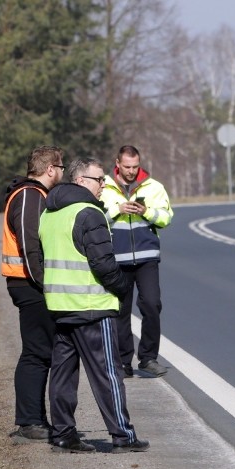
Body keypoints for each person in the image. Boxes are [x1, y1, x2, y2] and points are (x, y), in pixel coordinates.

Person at [38, 157, 149, 454]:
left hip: (61, 307)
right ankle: (122, 435)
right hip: (92, 305)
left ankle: (63, 433)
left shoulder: (49, 214)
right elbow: (103, 263)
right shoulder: (89, 213)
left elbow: (39, 260)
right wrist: (123, 289)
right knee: (107, 373)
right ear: (80, 181)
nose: (104, 185)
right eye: (99, 179)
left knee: (62, 374)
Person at [2, 145, 65, 443]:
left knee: (39, 352)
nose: (63, 173)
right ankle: (29, 422)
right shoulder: (29, 195)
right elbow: (30, 246)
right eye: (61, 167)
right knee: (37, 353)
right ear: (50, 168)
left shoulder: (34, 195)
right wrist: (45, 283)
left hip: (30, 283)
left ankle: (35, 419)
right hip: (29, 285)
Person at [102, 145, 173, 378]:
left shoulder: (154, 187)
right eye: (127, 167)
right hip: (117, 259)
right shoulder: (104, 186)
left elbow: (166, 218)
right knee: (121, 312)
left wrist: (146, 211)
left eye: (135, 166)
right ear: (118, 163)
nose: (132, 171)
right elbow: (93, 218)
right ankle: (123, 362)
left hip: (147, 258)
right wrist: (117, 209)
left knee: (152, 305)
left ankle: (148, 358)